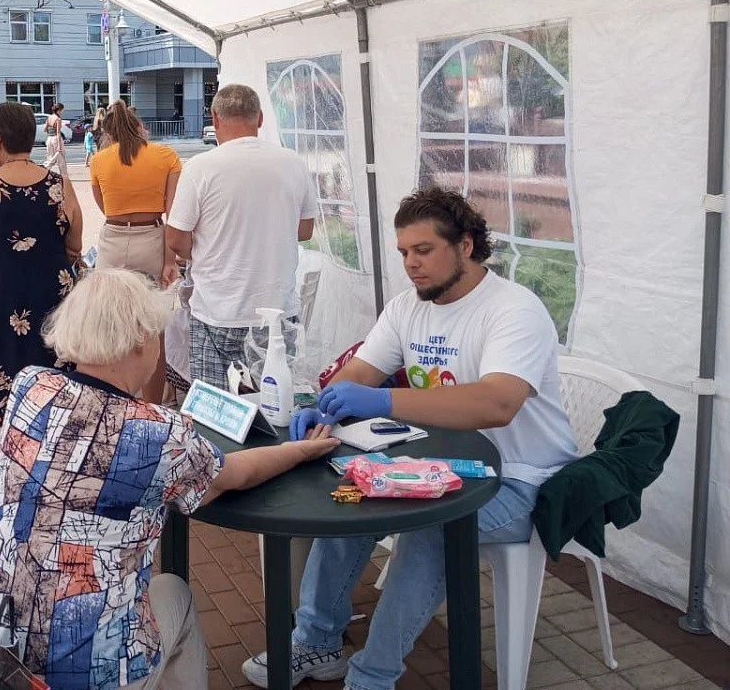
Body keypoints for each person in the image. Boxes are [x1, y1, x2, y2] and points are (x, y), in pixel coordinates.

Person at [241, 187, 580, 689]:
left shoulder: (514, 310)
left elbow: (497, 404)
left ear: (465, 245)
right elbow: (357, 374)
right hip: (436, 467)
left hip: (520, 479)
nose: (411, 265)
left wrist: (382, 401)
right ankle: (316, 642)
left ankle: (372, 678)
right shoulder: (407, 308)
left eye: (423, 250)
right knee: (350, 496)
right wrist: (324, 404)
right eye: (403, 252)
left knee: (432, 530)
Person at [0, 268, 341, 690]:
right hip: (89, 674)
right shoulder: (157, 433)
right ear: (141, 339)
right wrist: (300, 450)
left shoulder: (30, 386)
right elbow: (234, 475)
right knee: (175, 594)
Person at [165, 84, 317, 391]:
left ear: (214, 118)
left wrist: (208, 250)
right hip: (277, 311)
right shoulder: (293, 163)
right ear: (260, 118)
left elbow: (176, 239)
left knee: (215, 409)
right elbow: (304, 231)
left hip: (216, 310)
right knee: (275, 405)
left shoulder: (200, 167)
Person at [0, 102, 83, 455]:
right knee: (55, 368)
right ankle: (55, 452)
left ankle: (5, 455)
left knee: (1, 369)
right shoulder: (60, 185)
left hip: (0, 297)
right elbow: (75, 245)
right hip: (53, 294)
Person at [89, 99, 183, 403]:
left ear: (109, 131)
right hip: (151, 238)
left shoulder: (99, 160)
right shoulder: (166, 156)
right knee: (153, 329)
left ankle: (114, 400)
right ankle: (153, 405)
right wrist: (170, 261)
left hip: (113, 241)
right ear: (140, 127)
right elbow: (173, 214)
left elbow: (104, 207)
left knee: (111, 324)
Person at [43, 101, 69, 178]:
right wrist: (59, 146)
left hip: (49, 139)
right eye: (62, 110)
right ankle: (64, 176)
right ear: (59, 110)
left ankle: (44, 171)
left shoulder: (49, 118)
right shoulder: (58, 119)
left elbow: (45, 129)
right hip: (56, 139)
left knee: (50, 158)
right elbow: (58, 133)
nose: (62, 112)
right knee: (61, 160)